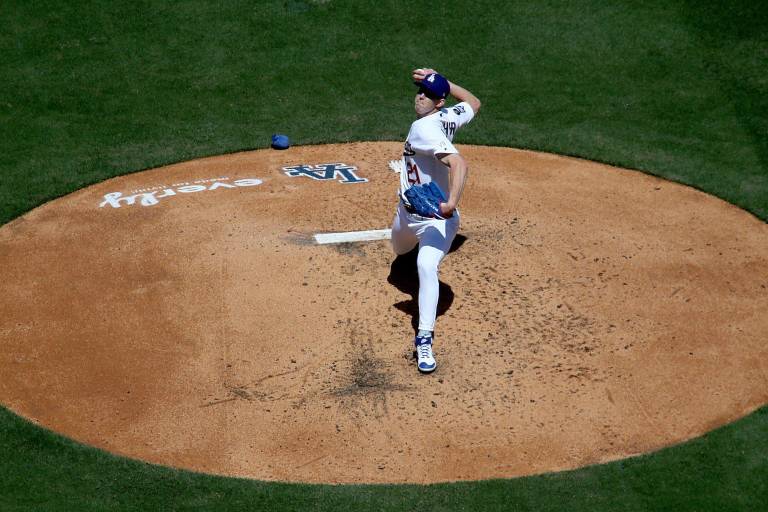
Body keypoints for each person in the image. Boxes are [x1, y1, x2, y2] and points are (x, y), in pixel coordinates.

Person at [390, 68, 481, 373]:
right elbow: (473, 102)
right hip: (407, 214)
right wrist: (442, 80)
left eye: (428, 95)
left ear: (437, 102)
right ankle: (410, 247)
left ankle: (424, 339)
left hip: (435, 218)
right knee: (400, 254)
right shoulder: (447, 116)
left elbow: (459, 162)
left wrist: (451, 203)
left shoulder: (424, 130)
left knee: (425, 266)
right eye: (419, 91)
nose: (420, 97)